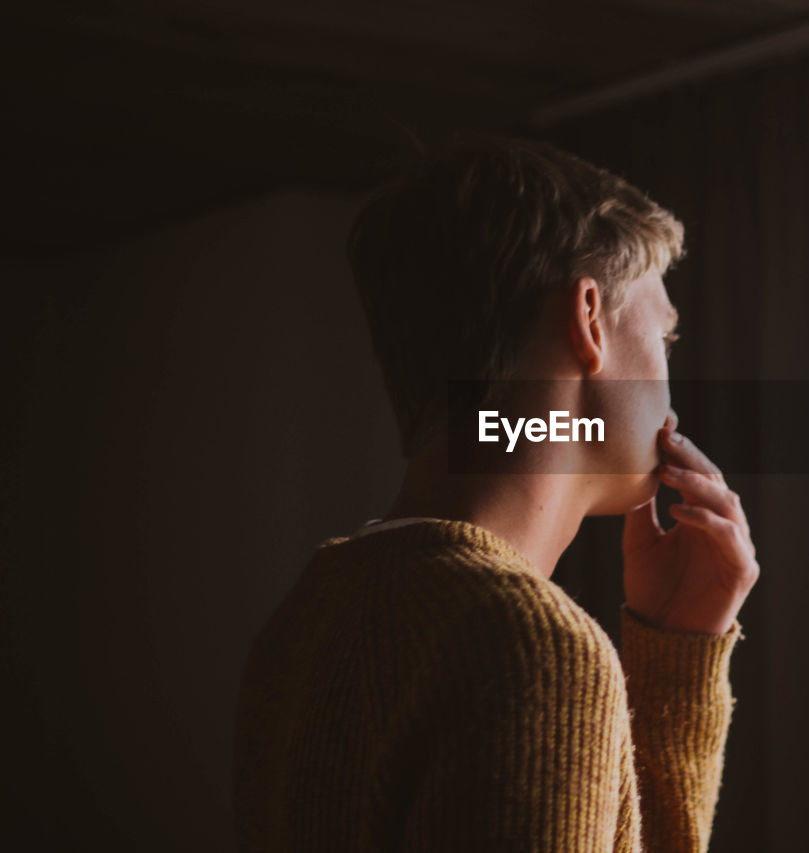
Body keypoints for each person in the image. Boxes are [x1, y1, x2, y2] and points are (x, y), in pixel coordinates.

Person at [232, 131, 760, 852]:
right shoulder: (531, 643)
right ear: (588, 318)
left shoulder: (308, 613)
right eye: (662, 341)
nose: (670, 392)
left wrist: (676, 658)